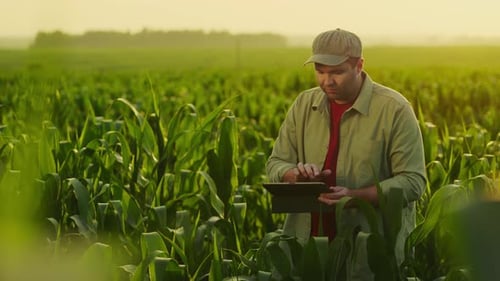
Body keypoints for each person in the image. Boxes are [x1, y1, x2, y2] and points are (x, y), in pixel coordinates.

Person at [266, 28, 426, 280]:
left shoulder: (394, 109)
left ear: (359, 65)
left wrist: (354, 197)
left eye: (337, 72)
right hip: (308, 252)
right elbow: (275, 163)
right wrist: (293, 174)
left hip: (368, 256)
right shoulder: (303, 105)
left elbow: (412, 182)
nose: (327, 81)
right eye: (320, 71)